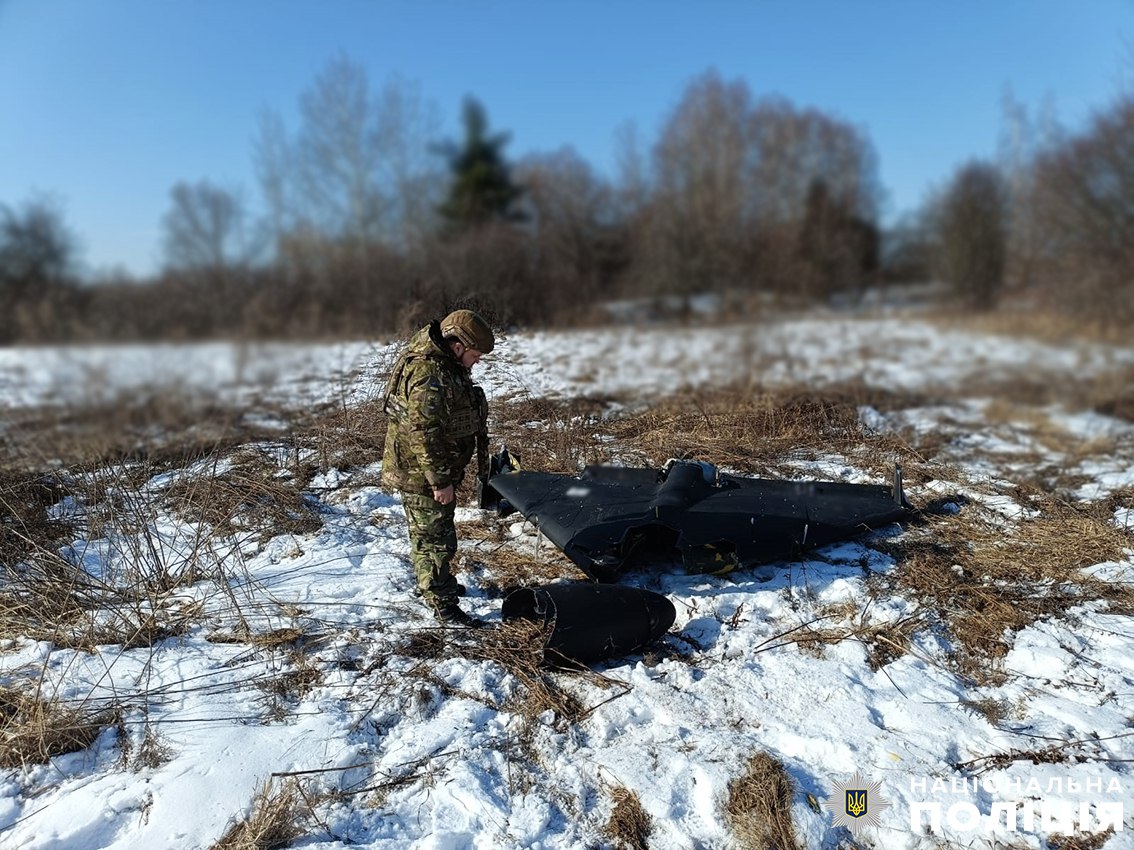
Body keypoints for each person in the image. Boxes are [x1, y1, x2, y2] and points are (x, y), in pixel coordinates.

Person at [381, 309, 494, 626]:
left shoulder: (445, 363)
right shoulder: (432, 375)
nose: (477, 361)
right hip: (422, 473)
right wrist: (439, 481)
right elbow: (424, 433)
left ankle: (433, 583)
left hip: (426, 469)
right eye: (474, 354)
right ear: (458, 346)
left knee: (428, 532)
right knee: (437, 539)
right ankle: (442, 603)